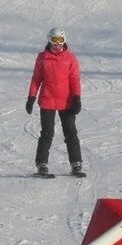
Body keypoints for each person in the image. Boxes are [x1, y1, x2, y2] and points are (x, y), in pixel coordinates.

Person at [26, 27, 84, 178]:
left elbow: (74, 80)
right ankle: (42, 164)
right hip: (47, 100)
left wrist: (77, 97)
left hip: (67, 101)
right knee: (47, 133)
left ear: (64, 41)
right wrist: (31, 97)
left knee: (71, 132)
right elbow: (36, 79)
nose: (57, 44)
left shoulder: (70, 58)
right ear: (49, 40)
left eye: (60, 40)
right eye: (54, 40)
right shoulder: (42, 57)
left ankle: (76, 163)